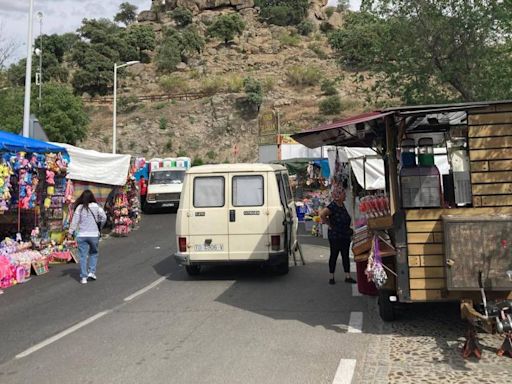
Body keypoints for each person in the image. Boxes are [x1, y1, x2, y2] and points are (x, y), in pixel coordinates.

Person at [68, 190, 107, 284]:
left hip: (82, 235)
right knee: (93, 253)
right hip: (94, 235)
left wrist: (70, 232)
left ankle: (83, 277)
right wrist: (100, 226)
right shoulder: (96, 206)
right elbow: (104, 217)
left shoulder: (79, 208)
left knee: (82, 256)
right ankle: (91, 272)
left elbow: (75, 221)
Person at [320, 186, 356, 285]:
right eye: (343, 194)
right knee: (334, 255)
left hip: (344, 234)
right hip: (335, 235)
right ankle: (331, 276)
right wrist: (329, 224)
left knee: (345, 255)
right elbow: (322, 214)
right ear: (338, 195)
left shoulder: (342, 205)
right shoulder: (332, 206)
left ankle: (347, 276)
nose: (345, 195)